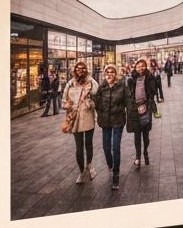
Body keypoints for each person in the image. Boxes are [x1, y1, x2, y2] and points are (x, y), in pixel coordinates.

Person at [93, 63, 131, 191]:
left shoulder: (122, 86)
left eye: (112, 72)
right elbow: (96, 103)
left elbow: (128, 102)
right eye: (107, 72)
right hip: (105, 122)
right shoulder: (102, 87)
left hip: (118, 121)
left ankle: (116, 173)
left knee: (115, 147)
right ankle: (110, 165)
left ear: (116, 73)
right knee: (106, 148)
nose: (110, 74)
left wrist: (129, 115)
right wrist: (100, 114)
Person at [62, 60, 98, 184]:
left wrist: (89, 77)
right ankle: (81, 171)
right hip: (75, 117)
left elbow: (96, 93)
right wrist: (67, 105)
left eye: (83, 68)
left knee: (88, 143)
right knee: (79, 146)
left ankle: (90, 165)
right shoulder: (70, 84)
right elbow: (63, 101)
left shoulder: (90, 82)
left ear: (86, 70)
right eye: (78, 68)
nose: (80, 70)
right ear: (75, 70)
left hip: (88, 116)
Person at [127, 57, 157, 168]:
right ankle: (138, 157)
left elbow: (152, 94)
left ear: (146, 66)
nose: (140, 68)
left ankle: (145, 152)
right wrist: (134, 106)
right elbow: (130, 96)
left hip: (146, 110)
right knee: (136, 135)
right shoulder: (131, 80)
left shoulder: (150, 78)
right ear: (135, 67)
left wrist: (146, 106)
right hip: (135, 110)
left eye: (142, 65)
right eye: (138, 66)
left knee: (145, 135)